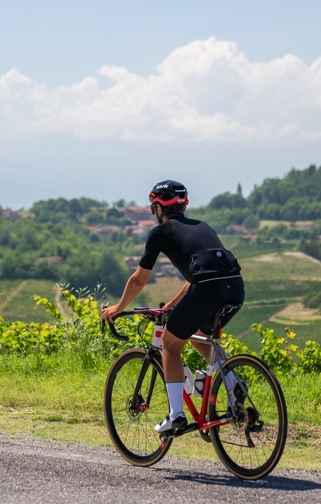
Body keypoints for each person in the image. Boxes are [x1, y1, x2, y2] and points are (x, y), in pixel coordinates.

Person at [100, 180, 244, 435]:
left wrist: (118, 307)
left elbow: (138, 280)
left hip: (207, 290)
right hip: (234, 287)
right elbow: (200, 277)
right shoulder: (202, 226)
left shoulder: (160, 233)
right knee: (198, 333)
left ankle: (176, 414)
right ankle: (232, 384)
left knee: (169, 344)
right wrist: (171, 306)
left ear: (158, 208)